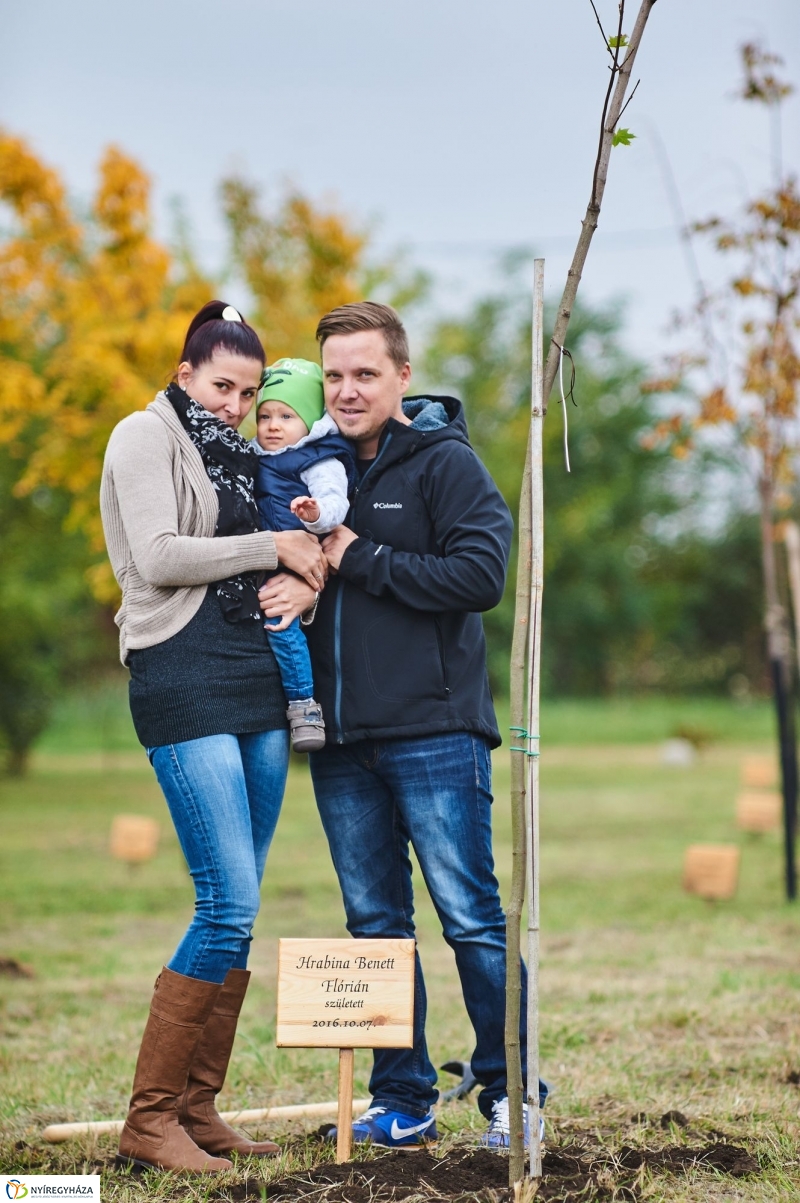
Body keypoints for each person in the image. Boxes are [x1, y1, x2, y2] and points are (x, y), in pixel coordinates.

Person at [302, 300, 548, 1149]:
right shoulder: (313, 470)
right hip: (338, 742)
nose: (347, 389)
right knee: (375, 925)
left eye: (365, 372)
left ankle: (510, 1092)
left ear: (402, 376)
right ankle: (402, 1096)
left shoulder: (445, 463)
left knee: (470, 915)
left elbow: (480, 574)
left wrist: (356, 554)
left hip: (437, 732)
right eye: (333, 374)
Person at [100, 300, 326, 1174]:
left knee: (244, 903)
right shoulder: (142, 435)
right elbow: (158, 554)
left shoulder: (244, 453)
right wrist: (270, 543)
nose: (235, 404)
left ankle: (197, 1108)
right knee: (224, 899)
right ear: (186, 373)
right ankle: (148, 1120)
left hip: (254, 676)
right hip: (182, 675)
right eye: (221, 386)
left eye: (247, 389)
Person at [251, 358, 355, 753]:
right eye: (265, 416)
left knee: (281, 625)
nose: (273, 425)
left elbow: (334, 502)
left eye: (285, 416)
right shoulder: (254, 453)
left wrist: (314, 515)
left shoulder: (318, 458)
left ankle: (303, 704)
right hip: (256, 557)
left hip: (291, 563)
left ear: (310, 420)